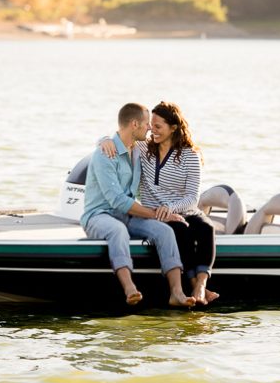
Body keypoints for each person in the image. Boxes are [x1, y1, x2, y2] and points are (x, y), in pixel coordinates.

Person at [101, 101, 219, 305]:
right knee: (180, 231)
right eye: (151, 125)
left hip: (185, 209)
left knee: (206, 228)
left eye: (157, 126)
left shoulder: (190, 156)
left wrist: (171, 207)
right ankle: (194, 287)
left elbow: (193, 198)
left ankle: (200, 285)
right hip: (155, 213)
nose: (151, 131)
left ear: (173, 128)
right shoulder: (143, 148)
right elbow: (121, 137)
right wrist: (103, 140)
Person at [81, 103, 196, 308]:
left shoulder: (137, 150)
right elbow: (116, 200)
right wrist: (154, 213)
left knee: (164, 231)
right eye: (146, 124)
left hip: (127, 215)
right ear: (134, 124)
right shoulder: (104, 154)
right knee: (118, 231)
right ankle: (129, 288)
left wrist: (164, 215)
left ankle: (176, 293)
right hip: (98, 216)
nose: (150, 129)